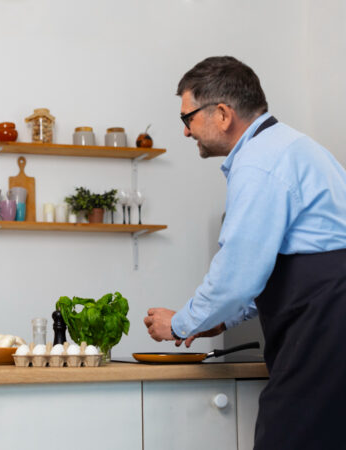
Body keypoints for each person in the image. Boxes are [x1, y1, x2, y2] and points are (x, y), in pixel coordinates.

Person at [144, 56, 346, 449]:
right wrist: (220, 320)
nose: (186, 132)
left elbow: (239, 273)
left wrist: (182, 323)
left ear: (222, 113)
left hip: (327, 323)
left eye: (187, 118)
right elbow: (286, 265)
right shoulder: (293, 146)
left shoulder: (259, 163)